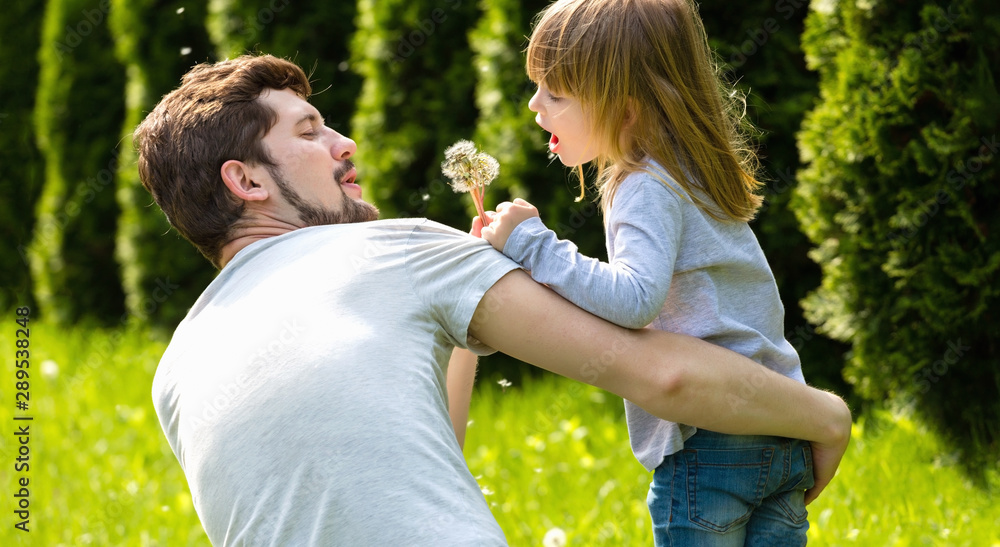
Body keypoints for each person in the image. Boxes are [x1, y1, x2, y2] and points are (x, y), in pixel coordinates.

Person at [136, 54, 850, 546]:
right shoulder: (395, 248)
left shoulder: (177, 367)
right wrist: (826, 414)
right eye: (309, 131)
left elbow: (408, 459)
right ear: (248, 182)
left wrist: (456, 314)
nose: (344, 141)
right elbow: (664, 375)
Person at [478, 0, 821, 546]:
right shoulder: (693, 173)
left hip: (711, 441)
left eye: (555, 93)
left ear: (627, 107)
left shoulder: (643, 184)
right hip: (780, 431)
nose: (535, 106)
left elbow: (636, 299)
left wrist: (530, 244)